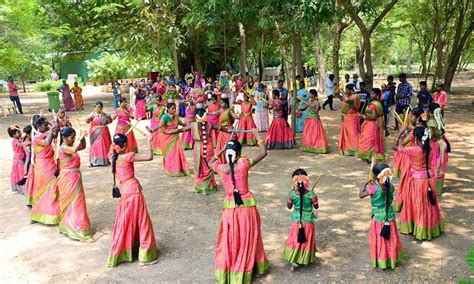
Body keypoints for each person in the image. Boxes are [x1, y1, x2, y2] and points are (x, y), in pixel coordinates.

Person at [209, 134, 269, 283]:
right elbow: (263, 152)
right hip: (247, 206)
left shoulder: (222, 168)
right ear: (239, 154)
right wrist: (257, 135)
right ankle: (250, 266)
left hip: (230, 208)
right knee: (248, 235)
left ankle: (232, 268)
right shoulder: (243, 164)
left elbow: (210, 161)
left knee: (231, 237)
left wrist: (222, 149)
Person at [107, 133, 158, 267]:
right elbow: (149, 157)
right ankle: (145, 256)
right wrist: (149, 141)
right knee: (142, 220)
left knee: (125, 221)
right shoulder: (128, 156)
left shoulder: (111, 156)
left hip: (124, 190)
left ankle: (123, 251)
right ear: (124, 145)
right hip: (133, 191)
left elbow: (114, 148)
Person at [395, 126, 445, 240]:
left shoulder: (414, 150)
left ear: (416, 138)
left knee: (417, 204)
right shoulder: (429, 148)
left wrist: (400, 134)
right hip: (429, 180)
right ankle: (429, 227)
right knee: (428, 203)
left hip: (417, 182)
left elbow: (396, 147)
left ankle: (418, 230)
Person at [359, 163, 404, 269]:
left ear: (375, 176)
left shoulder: (372, 188)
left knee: (380, 239)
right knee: (390, 237)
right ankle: (391, 259)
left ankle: (382, 259)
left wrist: (363, 187)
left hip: (378, 217)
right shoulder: (390, 186)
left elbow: (361, 196)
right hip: (389, 215)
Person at [57, 128, 93, 241]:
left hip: (74, 177)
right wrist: (80, 137)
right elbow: (73, 149)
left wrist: (83, 138)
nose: (73, 139)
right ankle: (78, 230)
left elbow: (82, 146)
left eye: (74, 137)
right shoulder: (63, 147)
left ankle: (73, 226)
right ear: (64, 138)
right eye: (71, 137)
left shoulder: (70, 146)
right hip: (68, 179)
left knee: (78, 202)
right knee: (75, 203)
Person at [169, 110, 217, 194]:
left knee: (199, 166)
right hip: (208, 148)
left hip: (198, 148)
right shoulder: (210, 124)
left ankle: (200, 185)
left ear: (196, 116)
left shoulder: (193, 125)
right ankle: (209, 186)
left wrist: (167, 132)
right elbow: (223, 129)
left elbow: (180, 130)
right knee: (208, 165)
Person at [282, 169, 319, 271]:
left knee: (295, 239)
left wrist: (291, 197)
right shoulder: (312, 194)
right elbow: (316, 207)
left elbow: (289, 207)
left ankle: (294, 260)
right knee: (306, 239)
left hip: (296, 221)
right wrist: (313, 199)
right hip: (308, 221)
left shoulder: (292, 194)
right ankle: (304, 258)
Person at [30, 116, 61, 225]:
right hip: (43, 166)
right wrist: (52, 129)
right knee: (44, 188)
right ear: (38, 127)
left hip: (49, 163)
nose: (46, 127)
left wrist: (55, 126)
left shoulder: (45, 134)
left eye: (47, 125)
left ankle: (51, 213)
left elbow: (55, 134)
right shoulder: (37, 138)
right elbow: (48, 142)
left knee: (52, 188)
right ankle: (39, 213)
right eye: (44, 125)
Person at [157, 102, 191, 176]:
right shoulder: (165, 117)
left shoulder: (175, 117)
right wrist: (152, 130)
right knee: (170, 154)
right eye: (172, 108)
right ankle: (171, 170)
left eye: (175, 108)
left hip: (175, 139)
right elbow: (159, 127)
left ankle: (178, 169)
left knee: (176, 154)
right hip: (167, 139)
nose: (174, 110)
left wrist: (192, 126)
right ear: (168, 109)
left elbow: (183, 124)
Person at [427, 103, 450, 196]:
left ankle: (434, 188)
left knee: (434, 165)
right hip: (442, 143)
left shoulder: (431, 122)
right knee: (440, 166)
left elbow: (431, 136)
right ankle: (438, 189)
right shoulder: (439, 119)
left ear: (431, 111)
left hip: (436, 145)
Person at [358, 88, 385, 162]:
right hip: (369, 123)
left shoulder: (374, 104)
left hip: (372, 124)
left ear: (377, 95)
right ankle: (369, 156)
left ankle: (370, 157)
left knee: (369, 140)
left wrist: (364, 116)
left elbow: (373, 116)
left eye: (373, 93)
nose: (371, 95)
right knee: (369, 139)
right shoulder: (375, 103)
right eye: (371, 93)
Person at [86, 101, 113, 166]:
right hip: (95, 133)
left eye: (101, 107)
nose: (99, 109)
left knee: (104, 146)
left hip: (104, 133)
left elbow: (110, 121)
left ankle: (105, 160)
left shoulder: (104, 114)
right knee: (94, 146)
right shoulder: (92, 114)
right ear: (95, 107)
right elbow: (87, 121)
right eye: (98, 107)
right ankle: (92, 161)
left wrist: (107, 116)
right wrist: (89, 118)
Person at [302, 89, 329, 154]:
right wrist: (300, 109)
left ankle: (317, 147)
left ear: (313, 95)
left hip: (315, 119)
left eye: (310, 94)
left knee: (316, 134)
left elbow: (317, 111)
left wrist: (312, 107)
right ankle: (310, 146)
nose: (309, 95)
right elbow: (305, 108)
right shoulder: (309, 101)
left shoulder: (317, 102)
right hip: (309, 119)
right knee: (309, 133)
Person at [338, 84, 361, 156]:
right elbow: (342, 99)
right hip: (346, 118)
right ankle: (347, 149)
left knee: (353, 134)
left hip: (352, 117)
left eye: (346, 89)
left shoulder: (355, 96)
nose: (346, 91)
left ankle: (355, 150)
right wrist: (337, 92)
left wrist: (342, 92)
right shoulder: (348, 96)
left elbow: (347, 100)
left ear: (350, 90)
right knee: (347, 134)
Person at [215, 97, 238, 163]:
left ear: (226, 103)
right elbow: (214, 113)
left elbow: (234, 116)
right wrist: (206, 114)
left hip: (228, 130)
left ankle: (230, 161)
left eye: (222, 103)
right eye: (220, 102)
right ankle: (222, 161)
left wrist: (238, 116)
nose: (220, 104)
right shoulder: (220, 110)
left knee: (229, 146)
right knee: (220, 147)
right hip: (222, 131)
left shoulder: (229, 110)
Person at [8, 125, 26, 193]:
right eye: (18, 132)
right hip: (18, 158)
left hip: (21, 156)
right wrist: (26, 141)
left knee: (21, 171)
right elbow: (21, 145)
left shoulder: (18, 139)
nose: (20, 133)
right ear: (13, 135)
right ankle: (21, 188)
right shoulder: (15, 141)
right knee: (20, 172)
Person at [22, 125, 34, 206]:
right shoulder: (28, 143)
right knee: (31, 182)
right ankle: (30, 199)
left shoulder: (29, 141)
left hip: (30, 163)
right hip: (29, 164)